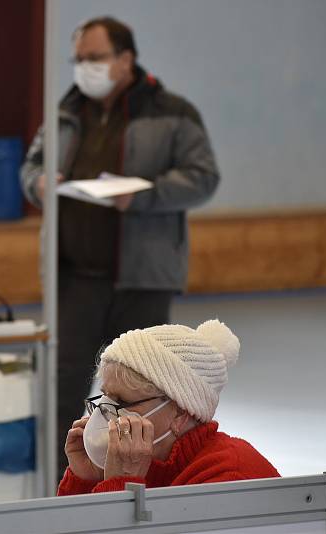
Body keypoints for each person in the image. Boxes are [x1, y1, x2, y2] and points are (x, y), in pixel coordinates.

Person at [20, 16, 221, 477]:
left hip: (141, 278)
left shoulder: (174, 112)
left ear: (125, 59)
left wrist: (144, 194)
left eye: (94, 58)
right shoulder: (65, 114)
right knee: (63, 386)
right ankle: (66, 481)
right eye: (79, 59)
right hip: (74, 278)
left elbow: (202, 177)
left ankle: (142, 481)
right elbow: (31, 167)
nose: (84, 67)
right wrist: (39, 182)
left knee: (142, 394)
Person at [58, 319, 279, 494]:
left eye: (122, 402)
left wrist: (121, 485)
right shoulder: (145, 461)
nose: (105, 414)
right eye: (105, 398)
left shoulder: (227, 478)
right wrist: (85, 481)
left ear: (180, 412)